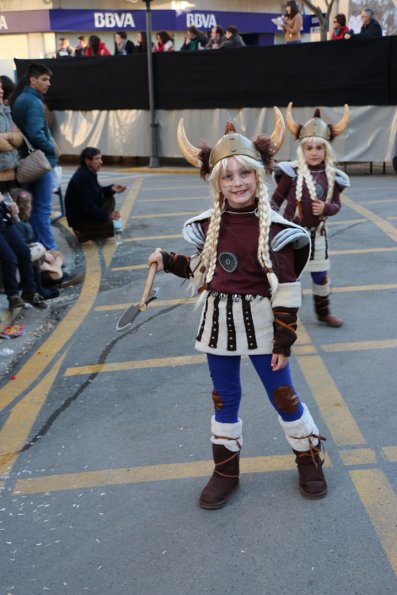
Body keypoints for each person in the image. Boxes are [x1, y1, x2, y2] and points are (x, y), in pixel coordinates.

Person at [147, 110, 328, 509]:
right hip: (218, 326)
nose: (236, 183)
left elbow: (287, 291)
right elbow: (201, 269)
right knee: (223, 398)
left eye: (244, 174)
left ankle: (310, 459)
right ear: (216, 182)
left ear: (258, 175)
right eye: (227, 177)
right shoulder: (210, 224)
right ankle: (225, 471)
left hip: (265, 328)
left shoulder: (276, 230)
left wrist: (284, 340)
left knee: (283, 395)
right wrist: (166, 258)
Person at [271, 103, 350, 327]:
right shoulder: (290, 172)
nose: (314, 152)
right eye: (309, 148)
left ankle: (323, 313)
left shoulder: (332, 175)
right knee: (287, 278)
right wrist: (271, 224)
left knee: (320, 277)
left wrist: (325, 209)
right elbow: (275, 201)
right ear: (302, 150)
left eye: (319, 147)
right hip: (290, 235)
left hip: (318, 235)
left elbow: (336, 205)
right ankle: (283, 317)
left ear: (326, 150)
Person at [11, 63, 59, 250]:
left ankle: (38, 249)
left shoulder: (21, 99)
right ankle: (50, 251)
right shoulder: (33, 102)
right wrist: (52, 149)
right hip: (39, 162)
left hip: (25, 163)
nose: (48, 84)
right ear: (33, 80)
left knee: (29, 211)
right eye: (44, 79)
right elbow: (35, 134)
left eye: (49, 80)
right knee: (42, 209)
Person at [65, 147, 126, 243]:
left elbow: (97, 191)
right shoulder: (83, 177)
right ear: (87, 161)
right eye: (97, 159)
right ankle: (83, 233)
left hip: (85, 213)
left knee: (109, 199)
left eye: (100, 158)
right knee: (113, 227)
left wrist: (111, 188)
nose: (101, 162)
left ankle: (93, 229)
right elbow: (88, 206)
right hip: (80, 219)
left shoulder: (88, 172)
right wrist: (107, 216)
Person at [0, 192, 46, 309]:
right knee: (9, 258)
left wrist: (11, 210)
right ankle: (13, 296)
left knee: (24, 252)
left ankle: (29, 292)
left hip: (3, 221)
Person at [0, 78, 23, 193]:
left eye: (1, 87)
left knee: (14, 208)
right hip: (2, 172)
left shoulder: (6, 111)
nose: (1, 91)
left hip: (12, 171)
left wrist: (8, 137)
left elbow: (19, 138)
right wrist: (12, 140)